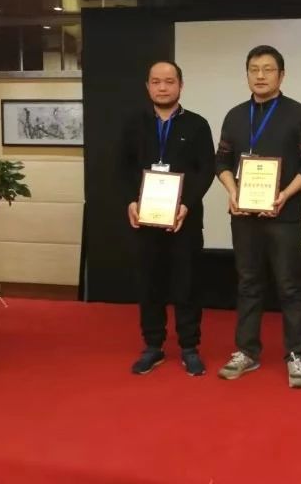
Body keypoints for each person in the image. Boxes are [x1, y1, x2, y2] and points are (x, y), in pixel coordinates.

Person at [215, 45, 301, 388]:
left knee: (290, 286)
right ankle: (246, 351)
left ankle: (297, 354)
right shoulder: (235, 115)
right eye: (254, 69)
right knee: (248, 284)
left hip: (283, 216)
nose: (260, 76)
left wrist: (285, 194)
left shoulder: (299, 114)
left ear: (282, 75)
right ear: (247, 74)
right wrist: (232, 190)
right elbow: (222, 160)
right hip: (244, 217)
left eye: (268, 69)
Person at [120, 61, 215, 376]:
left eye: (170, 81)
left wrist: (186, 204)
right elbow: (122, 167)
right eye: (156, 81)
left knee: (187, 284)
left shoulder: (197, 125)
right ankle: (153, 346)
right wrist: (131, 201)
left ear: (180, 85)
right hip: (145, 219)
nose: (163, 87)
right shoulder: (133, 123)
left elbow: (206, 169)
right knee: (149, 283)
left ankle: (189, 347)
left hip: (184, 220)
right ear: (147, 86)